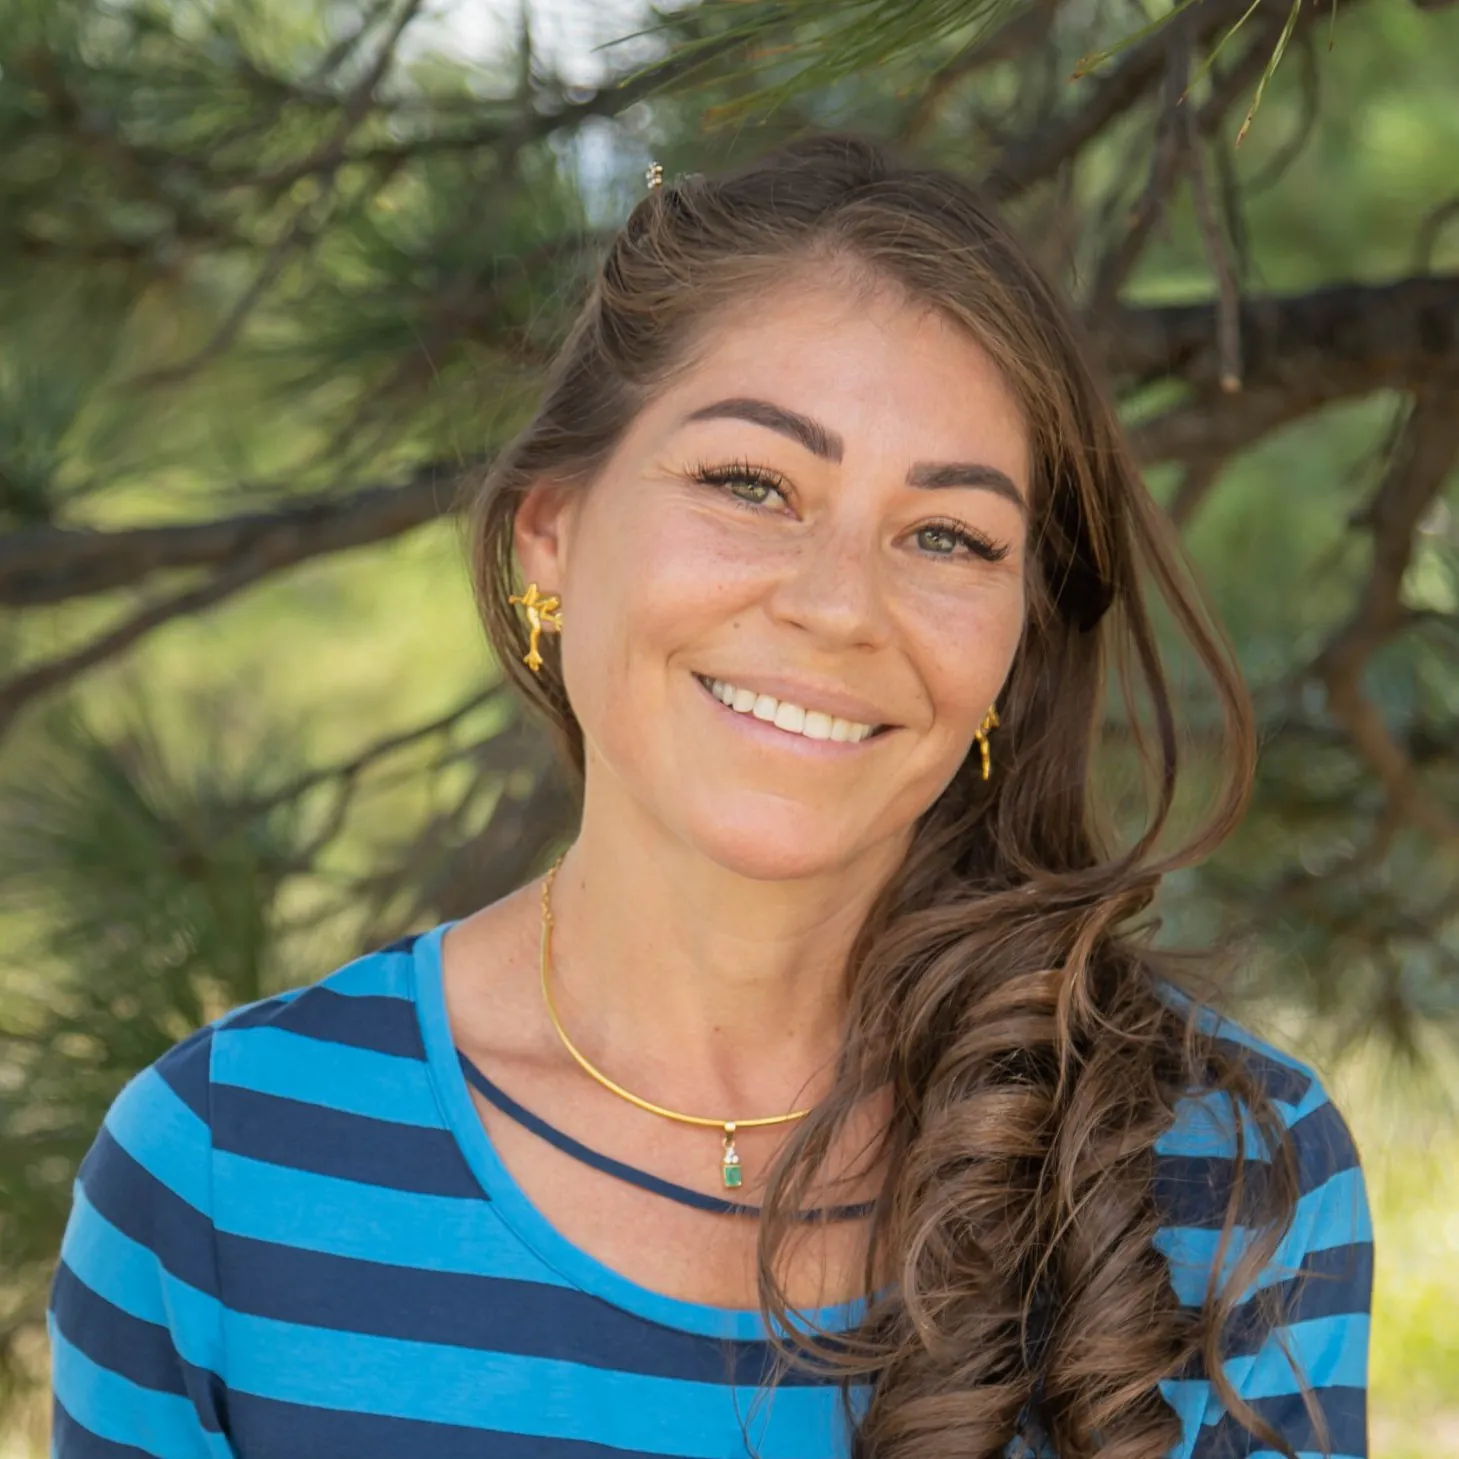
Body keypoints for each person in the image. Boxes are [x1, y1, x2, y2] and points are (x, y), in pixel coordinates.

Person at [47, 134, 1371, 1459]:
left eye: (947, 535)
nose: (839, 605)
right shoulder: (222, 1173)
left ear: (1016, 639)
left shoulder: (1230, 1179)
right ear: (550, 529)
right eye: (751, 484)